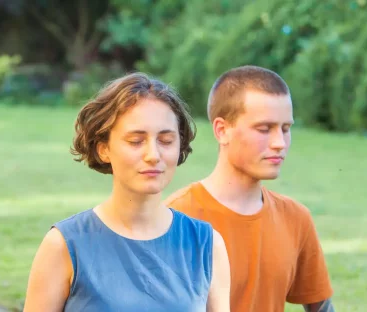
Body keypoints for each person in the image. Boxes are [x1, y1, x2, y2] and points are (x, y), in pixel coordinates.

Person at [23, 72, 231, 312]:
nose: (153, 155)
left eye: (165, 140)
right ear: (104, 149)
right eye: (135, 141)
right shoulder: (64, 245)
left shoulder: (207, 244)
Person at [165, 65, 335, 312]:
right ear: (222, 130)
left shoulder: (296, 219)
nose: (279, 143)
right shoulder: (177, 221)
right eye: (264, 129)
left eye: (285, 129)